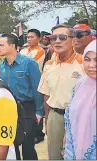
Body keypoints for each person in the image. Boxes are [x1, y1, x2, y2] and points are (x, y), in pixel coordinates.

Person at [38, 24, 85, 160]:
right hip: (55, 116)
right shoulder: (49, 65)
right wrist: (47, 121)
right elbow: (46, 95)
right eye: (53, 38)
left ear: (73, 40)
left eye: (62, 37)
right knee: (54, 156)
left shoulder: (84, 64)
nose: (57, 41)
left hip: (79, 117)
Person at [0, 34, 44, 160]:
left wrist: (39, 111)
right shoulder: (1, 66)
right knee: (12, 143)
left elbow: (37, 88)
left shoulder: (28, 63)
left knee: (28, 144)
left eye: (1, 45)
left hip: (27, 107)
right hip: (9, 108)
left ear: (12, 46)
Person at [63, 40, 96, 160]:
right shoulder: (80, 85)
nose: (91, 65)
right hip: (74, 149)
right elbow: (69, 115)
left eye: (96, 59)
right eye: (87, 59)